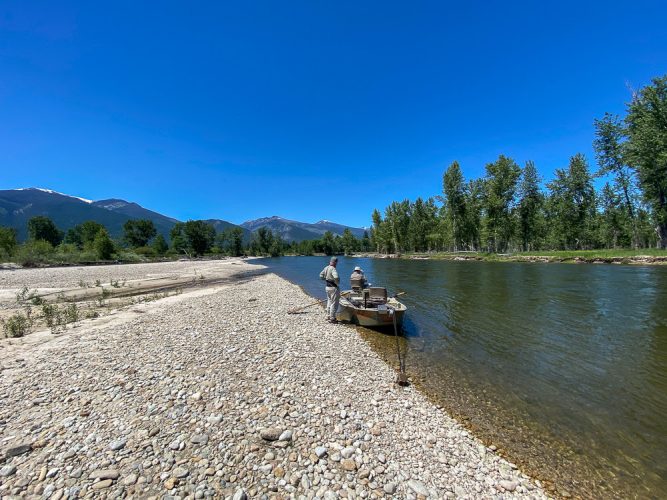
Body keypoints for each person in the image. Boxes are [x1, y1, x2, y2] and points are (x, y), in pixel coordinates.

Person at [319, 256, 340, 323]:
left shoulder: (326, 267)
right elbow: (336, 277)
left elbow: (320, 276)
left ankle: (328, 316)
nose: (336, 264)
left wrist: (326, 279)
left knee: (329, 301)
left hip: (327, 287)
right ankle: (332, 318)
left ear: (330, 261)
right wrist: (337, 283)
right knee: (334, 303)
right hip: (333, 288)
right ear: (335, 262)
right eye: (336, 263)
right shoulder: (333, 269)